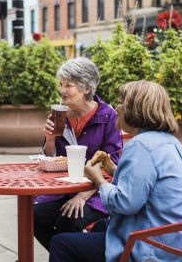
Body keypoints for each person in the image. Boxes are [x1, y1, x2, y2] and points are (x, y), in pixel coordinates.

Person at [49, 80, 182, 262]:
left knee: (61, 244)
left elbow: (125, 204)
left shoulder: (140, 146)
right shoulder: (170, 142)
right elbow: (146, 185)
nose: (117, 106)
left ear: (135, 109)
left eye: (122, 101)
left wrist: (99, 180)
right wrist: (114, 170)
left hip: (156, 246)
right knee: (101, 226)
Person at [34, 57, 122, 251]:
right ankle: (66, 254)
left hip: (96, 190)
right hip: (63, 188)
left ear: (86, 88)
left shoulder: (107, 116)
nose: (62, 90)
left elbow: (111, 162)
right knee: (34, 215)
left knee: (70, 220)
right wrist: (49, 139)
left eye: (69, 85)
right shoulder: (59, 115)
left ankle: (67, 253)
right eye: (61, 84)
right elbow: (50, 160)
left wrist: (82, 195)